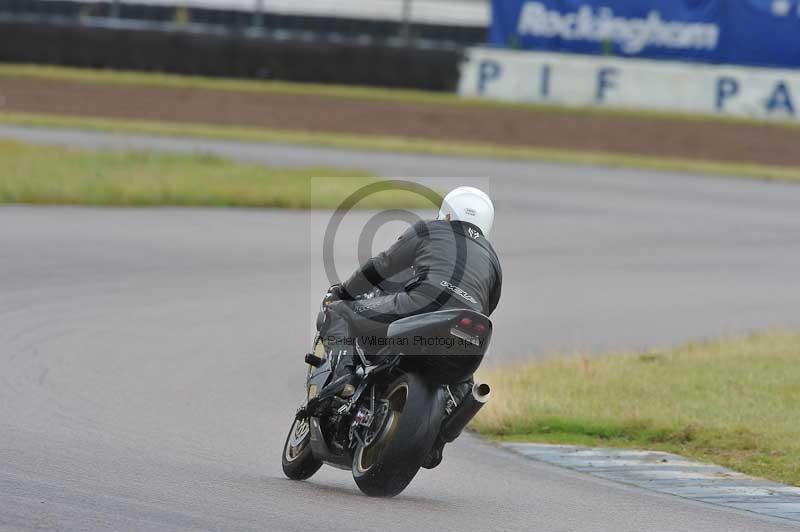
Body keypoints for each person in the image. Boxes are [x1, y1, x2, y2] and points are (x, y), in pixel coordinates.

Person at [318, 186, 502, 402]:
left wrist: (345, 292)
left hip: (421, 303)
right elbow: (489, 305)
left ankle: (344, 380)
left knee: (339, 312)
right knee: (463, 381)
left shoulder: (430, 229)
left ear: (447, 213)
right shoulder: (492, 258)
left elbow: (382, 265)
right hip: (469, 325)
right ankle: (461, 406)